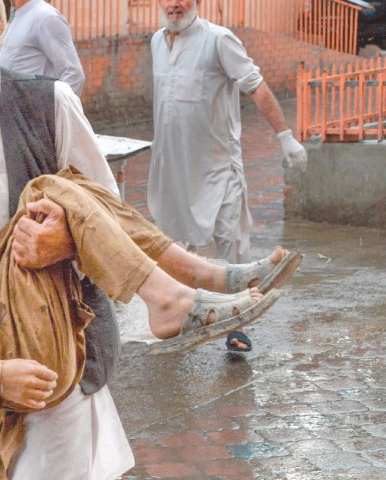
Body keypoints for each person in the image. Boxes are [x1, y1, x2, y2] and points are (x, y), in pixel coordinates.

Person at [0, 0, 301, 477]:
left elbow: (104, 215)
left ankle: (187, 285)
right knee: (53, 189)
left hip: (47, 347)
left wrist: (65, 243)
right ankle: (185, 287)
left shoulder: (48, 104)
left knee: (66, 194)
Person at [0, 124, 277, 480]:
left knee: (58, 186)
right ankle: (185, 287)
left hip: (3, 323)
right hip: (8, 354)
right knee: (50, 189)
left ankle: (197, 280)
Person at [148, 0, 307, 351]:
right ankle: (184, 314)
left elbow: (256, 86)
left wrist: (284, 136)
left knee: (231, 239)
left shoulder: (220, 40)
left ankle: (239, 325)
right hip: (173, 166)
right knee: (173, 242)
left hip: (219, 164)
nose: (174, 5)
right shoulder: (157, 42)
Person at [0, 0, 85, 96]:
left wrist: (54, 109)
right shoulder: (16, 17)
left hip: (34, 108)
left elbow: (74, 74)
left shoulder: (46, 17)